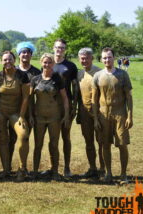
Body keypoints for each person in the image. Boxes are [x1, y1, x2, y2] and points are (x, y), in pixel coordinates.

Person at [92, 47, 133, 184]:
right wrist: (96, 119)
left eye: (109, 57)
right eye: (104, 57)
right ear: (101, 59)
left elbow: (129, 96)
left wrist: (130, 116)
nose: (106, 60)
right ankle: (108, 172)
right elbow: (94, 100)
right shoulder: (97, 76)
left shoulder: (122, 74)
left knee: (122, 145)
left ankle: (123, 174)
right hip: (103, 115)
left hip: (120, 113)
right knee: (105, 144)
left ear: (114, 58)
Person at [0, 51, 30, 181]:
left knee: (23, 136)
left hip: (16, 114)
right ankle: (6, 170)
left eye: (10, 59)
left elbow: (25, 97)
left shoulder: (22, 76)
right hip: (1, 113)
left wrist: (22, 116)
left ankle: (22, 169)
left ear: (14, 60)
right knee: (3, 140)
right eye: (5, 60)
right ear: (2, 61)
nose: (7, 62)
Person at [30, 53, 69, 181]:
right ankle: (35, 171)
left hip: (54, 117)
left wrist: (66, 114)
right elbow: (29, 99)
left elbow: (64, 98)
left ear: (53, 64)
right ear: (41, 63)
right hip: (39, 117)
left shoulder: (58, 79)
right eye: (45, 62)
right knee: (38, 144)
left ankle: (55, 171)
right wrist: (30, 115)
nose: (47, 65)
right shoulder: (35, 79)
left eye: (49, 62)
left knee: (54, 144)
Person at [8, 41, 41, 170]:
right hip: (13, 110)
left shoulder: (36, 72)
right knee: (12, 139)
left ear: (31, 54)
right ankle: (8, 166)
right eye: (23, 52)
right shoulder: (13, 70)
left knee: (25, 139)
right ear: (19, 55)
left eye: (28, 52)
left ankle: (24, 166)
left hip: (29, 111)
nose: (25, 54)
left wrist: (32, 113)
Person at [50, 38, 78, 178]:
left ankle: (67, 167)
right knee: (53, 138)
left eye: (62, 48)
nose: (59, 50)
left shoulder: (70, 66)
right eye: (57, 47)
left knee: (66, 137)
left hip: (67, 106)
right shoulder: (49, 64)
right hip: (52, 107)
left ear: (65, 50)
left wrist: (75, 106)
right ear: (53, 48)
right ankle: (53, 166)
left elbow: (75, 86)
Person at [76, 48, 104, 178]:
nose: (84, 60)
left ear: (92, 58)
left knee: (102, 142)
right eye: (82, 58)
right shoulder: (79, 74)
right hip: (84, 112)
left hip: (100, 112)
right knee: (88, 142)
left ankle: (104, 169)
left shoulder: (100, 72)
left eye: (87, 58)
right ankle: (92, 168)